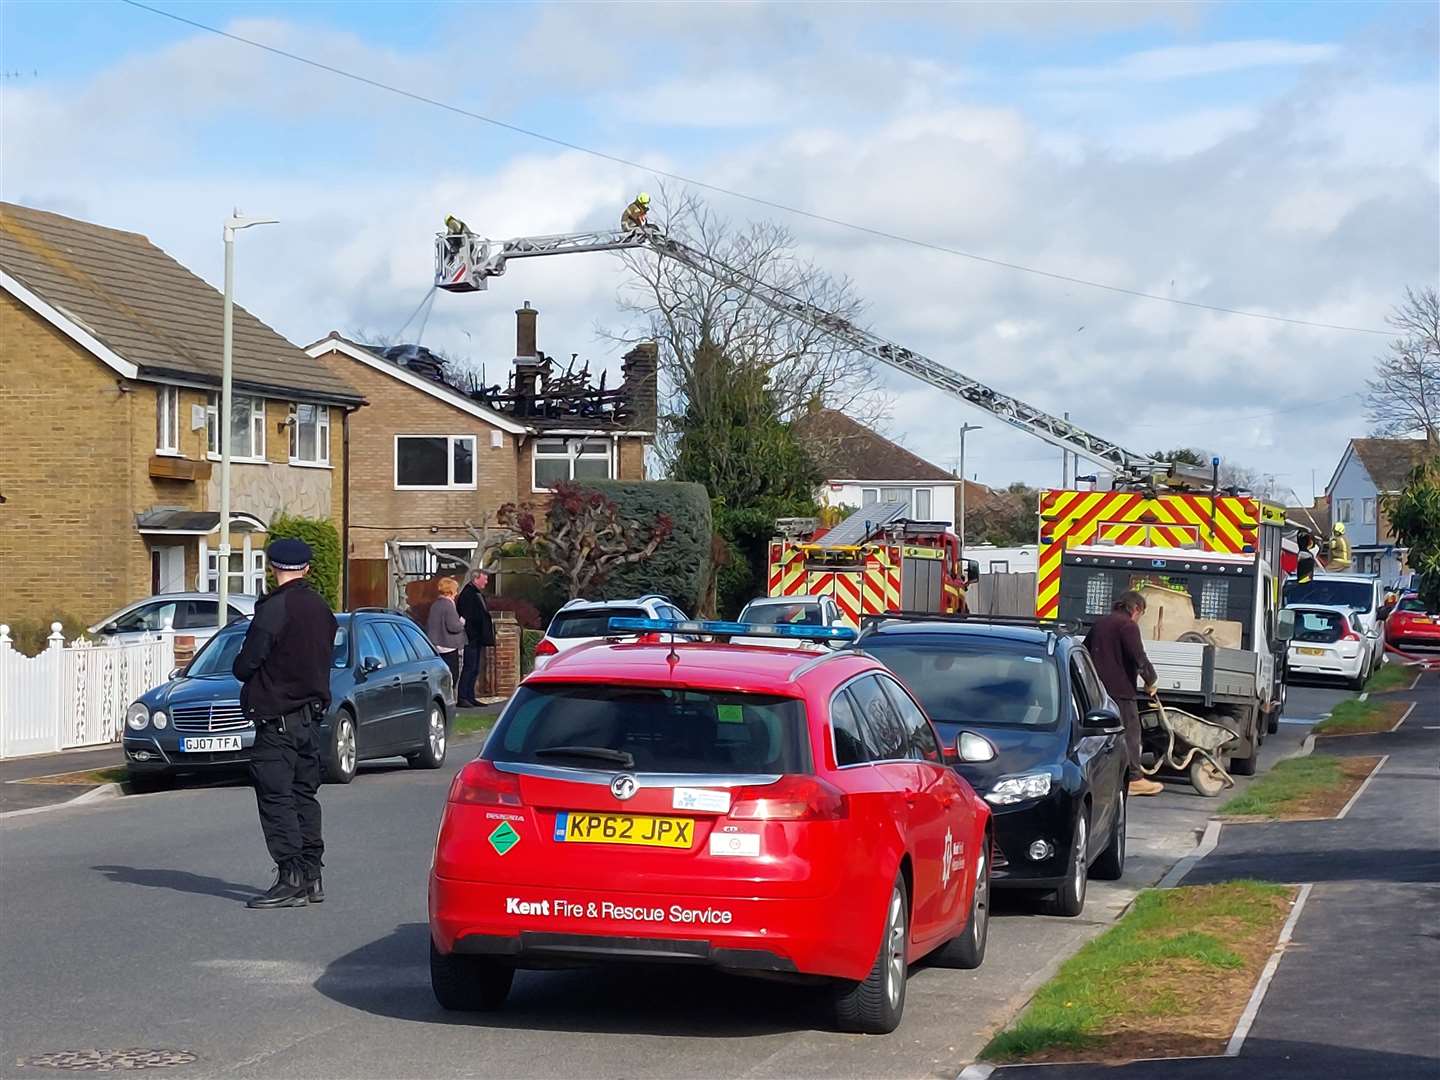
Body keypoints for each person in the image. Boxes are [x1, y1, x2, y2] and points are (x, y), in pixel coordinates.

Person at [232, 538, 338, 909]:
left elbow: (246, 664)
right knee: (304, 796)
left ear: (272, 567)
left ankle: (290, 876)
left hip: (277, 719)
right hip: (310, 718)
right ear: (307, 568)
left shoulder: (275, 609)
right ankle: (312, 875)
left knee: (277, 799)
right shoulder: (321, 609)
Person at [1084, 590, 1164, 797]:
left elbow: (1084, 650)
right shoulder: (1128, 626)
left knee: (1100, 734)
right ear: (1136, 609)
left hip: (1097, 690)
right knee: (1130, 733)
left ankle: (1100, 775)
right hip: (1122, 690)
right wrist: (1151, 680)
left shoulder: (1100, 623)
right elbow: (1139, 657)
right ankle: (1135, 778)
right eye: (1141, 614)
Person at [456, 570, 494, 708]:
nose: (486, 582)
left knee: (475, 668)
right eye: (484, 579)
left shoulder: (476, 593)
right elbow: (466, 616)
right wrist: (472, 633)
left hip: (477, 637)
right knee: (469, 667)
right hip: (471, 638)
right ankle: (463, 697)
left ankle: (471, 696)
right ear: (476, 579)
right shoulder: (468, 594)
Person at [427, 577, 466, 688]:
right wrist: (462, 622)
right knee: (453, 675)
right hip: (447, 646)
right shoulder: (448, 604)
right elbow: (453, 627)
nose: (457, 593)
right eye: (456, 590)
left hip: (436, 644)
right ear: (450, 591)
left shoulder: (435, 604)